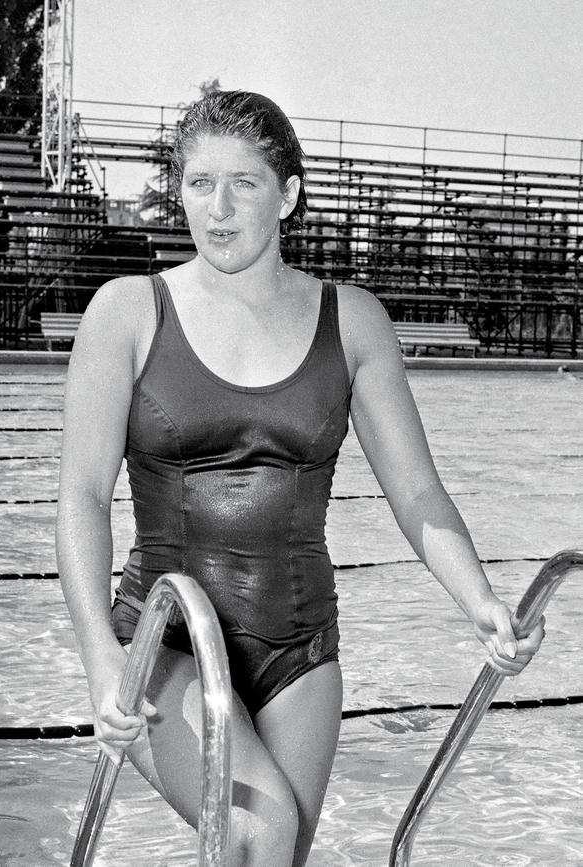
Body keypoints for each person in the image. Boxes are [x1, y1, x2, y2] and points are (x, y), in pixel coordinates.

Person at [56, 90, 545, 866]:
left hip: (301, 652)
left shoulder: (351, 321)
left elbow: (416, 490)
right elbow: (83, 493)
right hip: (169, 641)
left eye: (243, 183)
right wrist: (99, 657)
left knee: (274, 854)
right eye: (198, 182)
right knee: (260, 828)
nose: (217, 208)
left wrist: (480, 599)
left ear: (287, 194)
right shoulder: (127, 313)